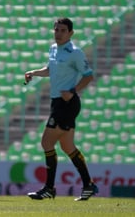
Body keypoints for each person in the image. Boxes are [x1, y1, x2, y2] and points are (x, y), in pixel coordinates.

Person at [24, 18, 98, 201]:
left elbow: (88, 76)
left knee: (46, 142)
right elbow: (50, 69)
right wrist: (34, 73)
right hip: (57, 102)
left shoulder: (75, 53)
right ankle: (88, 185)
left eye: (63, 30)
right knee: (67, 146)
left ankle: (49, 188)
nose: (58, 33)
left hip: (67, 104)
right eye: (56, 29)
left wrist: (72, 91)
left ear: (71, 33)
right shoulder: (53, 48)